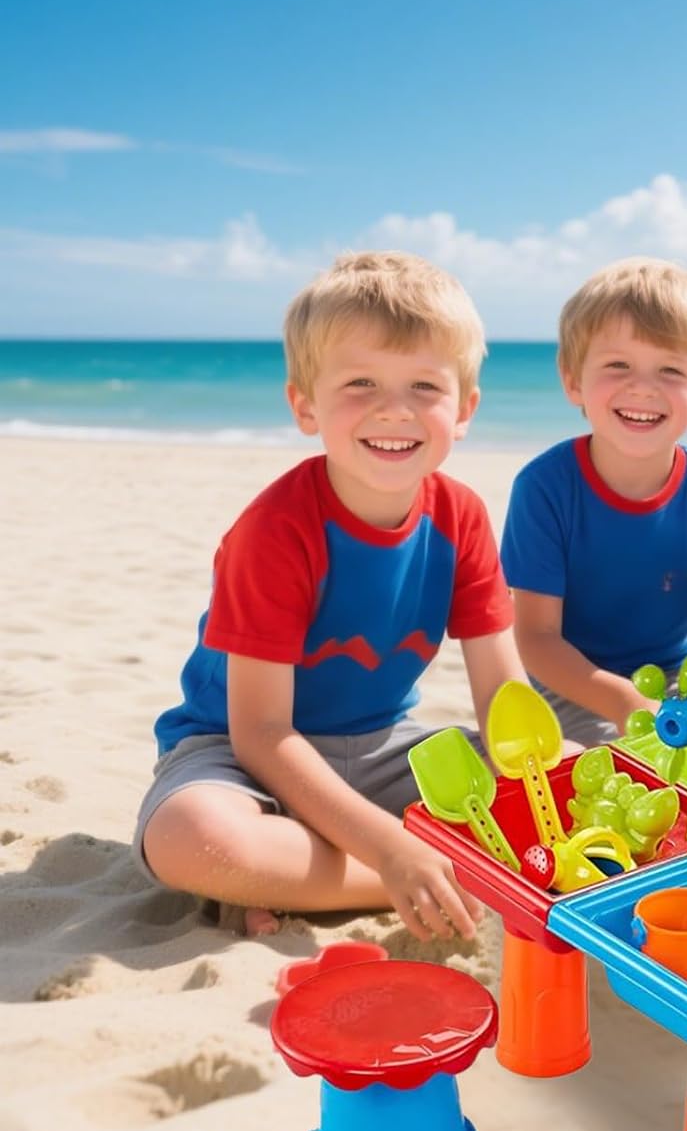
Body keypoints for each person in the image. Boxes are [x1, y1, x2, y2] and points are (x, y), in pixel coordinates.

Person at [136, 252, 524, 940]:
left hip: (382, 748)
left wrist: (535, 774)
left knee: (554, 776)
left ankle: (309, 878)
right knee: (192, 837)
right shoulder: (276, 529)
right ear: (305, 405)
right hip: (240, 751)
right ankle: (434, 876)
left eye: (424, 386)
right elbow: (261, 734)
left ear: (463, 409)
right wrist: (391, 850)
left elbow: (503, 695)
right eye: (361, 383)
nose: (394, 409)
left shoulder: (460, 516)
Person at [501, 257, 687, 746]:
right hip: (567, 682)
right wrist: (623, 701)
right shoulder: (543, 488)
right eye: (618, 365)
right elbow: (536, 639)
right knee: (607, 758)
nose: (642, 387)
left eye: (670, 370)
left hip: (675, 677)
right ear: (573, 379)